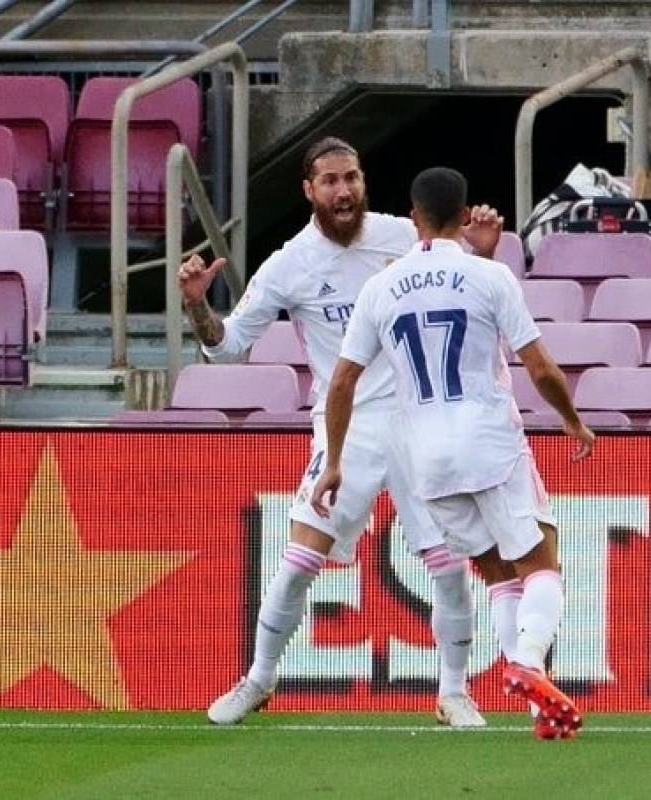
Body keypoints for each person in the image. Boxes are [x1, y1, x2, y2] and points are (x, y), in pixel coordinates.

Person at [185, 138, 505, 727]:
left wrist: (480, 254)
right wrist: (198, 310)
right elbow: (227, 349)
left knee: (449, 564)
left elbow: (468, 290)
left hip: (419, 422)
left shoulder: (404, 237)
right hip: (346, 429)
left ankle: (454, 692)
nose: (343, 191)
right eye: (330, 181)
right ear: (309, 190)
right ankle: (259, 678)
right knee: (298, 560)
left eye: (352, 178)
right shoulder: (289, 265)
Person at [310, 167, 596, 740]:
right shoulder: (490, 277)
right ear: (466, 216)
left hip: (426, 459)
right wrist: (572, 421)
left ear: (413, 217)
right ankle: (531, 664)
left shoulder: (381, 286)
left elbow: (341, 383)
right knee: (542, 565)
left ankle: (536, 703)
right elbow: (539, 367)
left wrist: (334, 461)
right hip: (489, 440)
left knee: (497, 574)